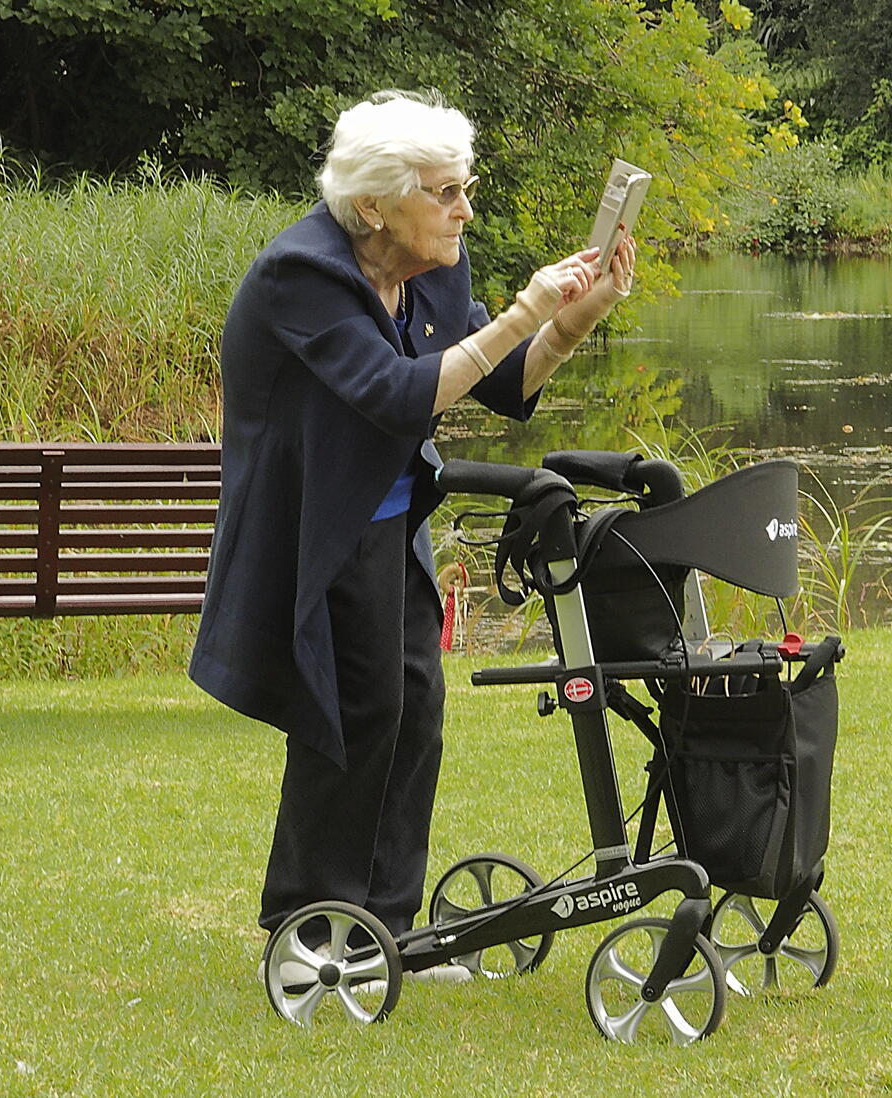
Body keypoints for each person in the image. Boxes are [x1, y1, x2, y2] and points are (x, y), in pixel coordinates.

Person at [188, 90, 635, 978]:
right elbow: (399, 394)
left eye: (466, 188)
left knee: (415, 710)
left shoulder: (431, 268)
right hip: (314, 529)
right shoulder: (302, 275)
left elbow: (502, 382)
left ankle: (389, 932)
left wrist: (580, 311)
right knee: (352, 718)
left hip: (394, 520)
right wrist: (523, 310)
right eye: (446, 193)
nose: (464, 210)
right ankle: (307, 931)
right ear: (374, 206)